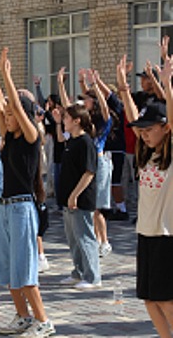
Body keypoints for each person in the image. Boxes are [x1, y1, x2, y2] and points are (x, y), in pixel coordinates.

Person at [0, 47, 55, 337]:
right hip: (6, 207)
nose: (6, 116)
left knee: (25, 270)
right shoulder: (8, 137)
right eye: (6, 114)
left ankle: (43, 320)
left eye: (13, 113)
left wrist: (6, 76)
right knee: (10, 269)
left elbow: (12, 104)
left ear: (23, 115)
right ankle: (23, 317)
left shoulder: (30, 137)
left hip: (24, 208)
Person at [117, 54, 173, 338]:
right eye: (143, 132)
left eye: (151, 130)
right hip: (145, 235)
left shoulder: (170, 157)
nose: (145, 135)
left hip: (166, 236)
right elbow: (133, 118)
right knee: (150, 300)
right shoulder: (145, 155)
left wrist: (167, 85)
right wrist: (124, 88)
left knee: (166, 298)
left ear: (166, 128)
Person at [53, 103, 101, 290]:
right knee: (73, 239)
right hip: (68, 199)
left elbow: (89, 172)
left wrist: (74, 195)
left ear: (77, 120)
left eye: (66, 118)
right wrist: (58, 123)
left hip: (80, 199)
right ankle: (79, 271)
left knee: (84, 237)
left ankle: (92, 276)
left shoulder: (85, 142)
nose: (64, 120)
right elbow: (59, 138)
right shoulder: (71, 140)